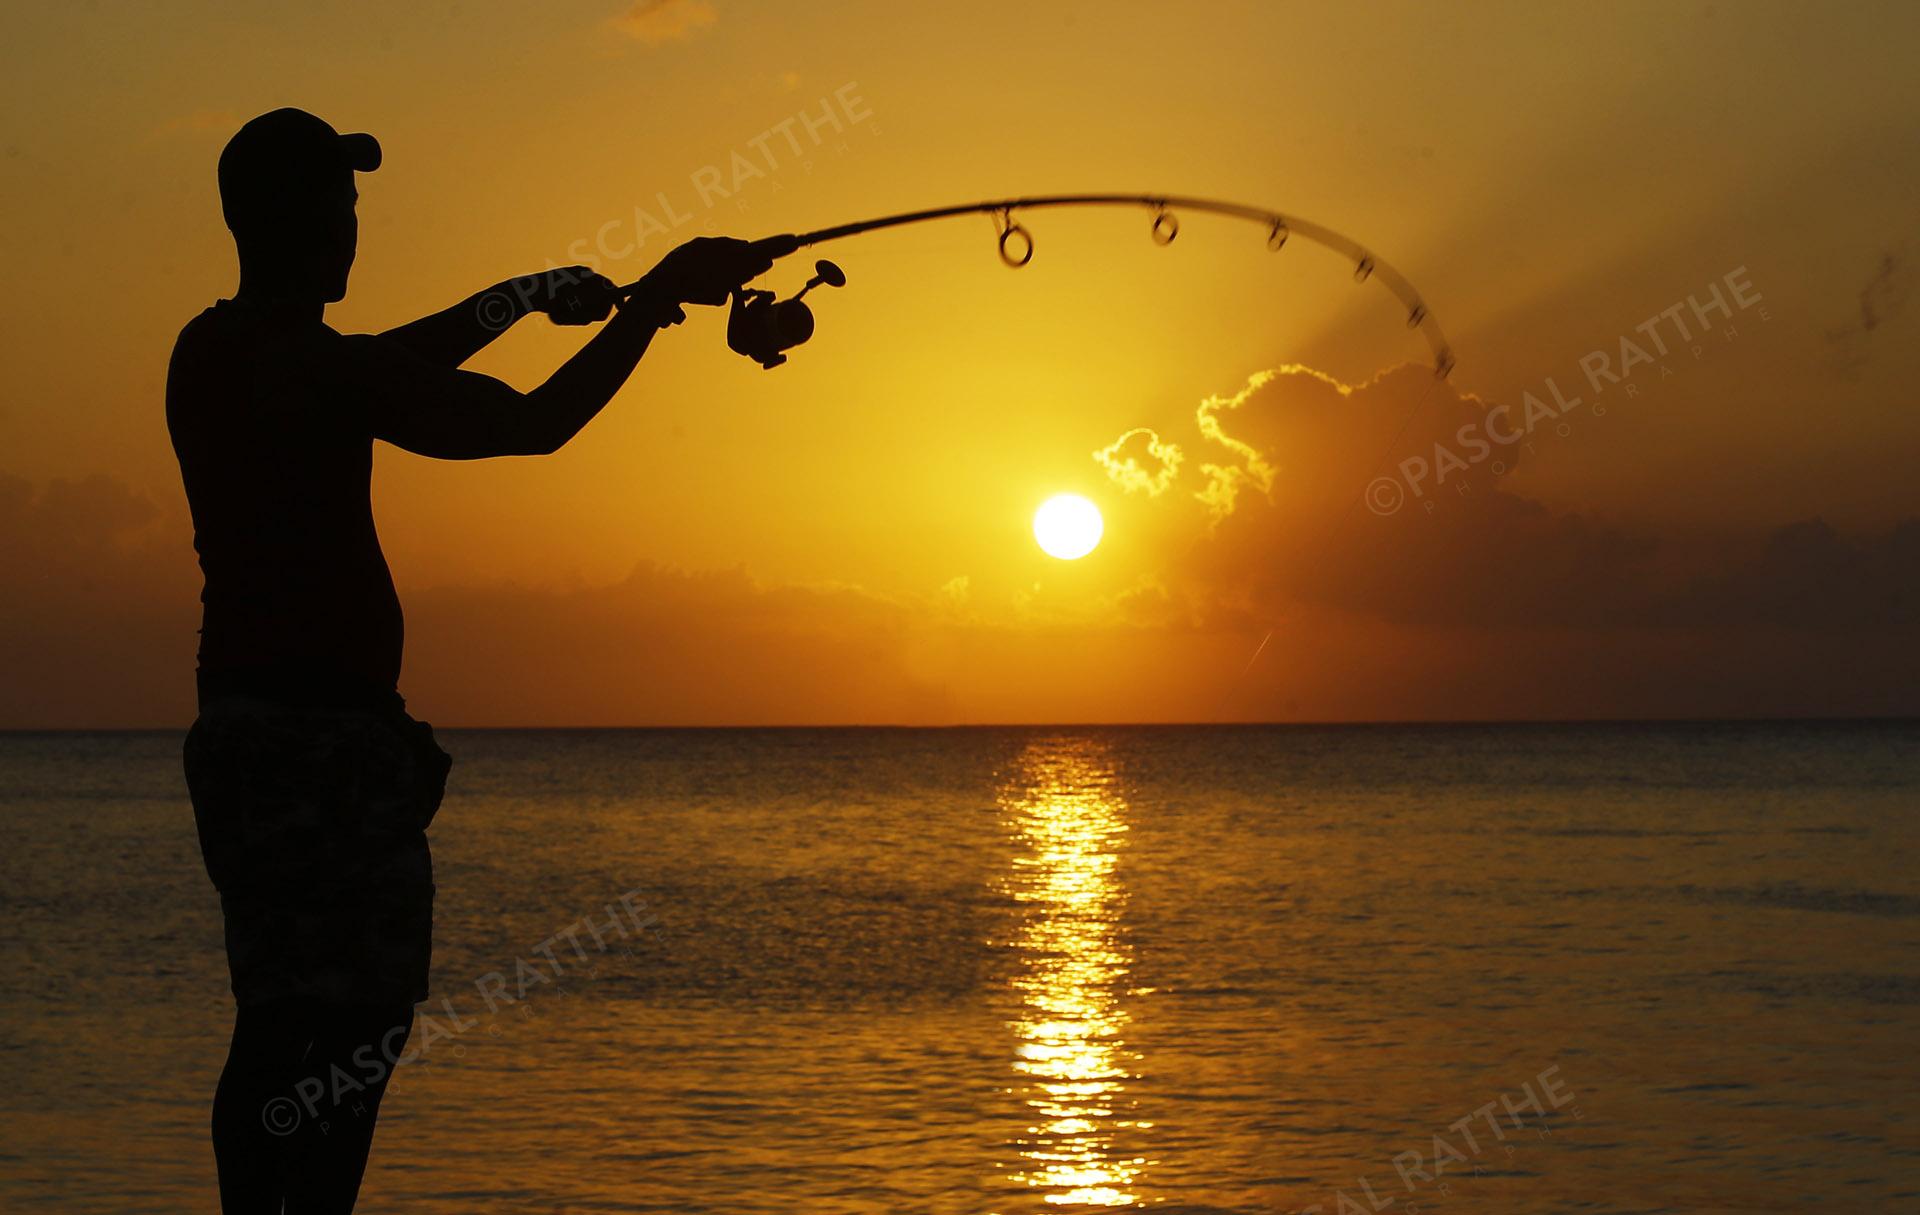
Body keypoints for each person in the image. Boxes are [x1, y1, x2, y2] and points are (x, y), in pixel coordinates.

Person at [166, 107, 772, 1214]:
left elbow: (387, 362)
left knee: (315, 1020)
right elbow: (533, 422)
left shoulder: (229, 352)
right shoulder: (288, 363)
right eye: (340, 204)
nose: (355, 227)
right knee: (326, 1024)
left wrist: (528, 294)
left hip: (296, 739)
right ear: (291, 218)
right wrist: (651, 303)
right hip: (306, 749)